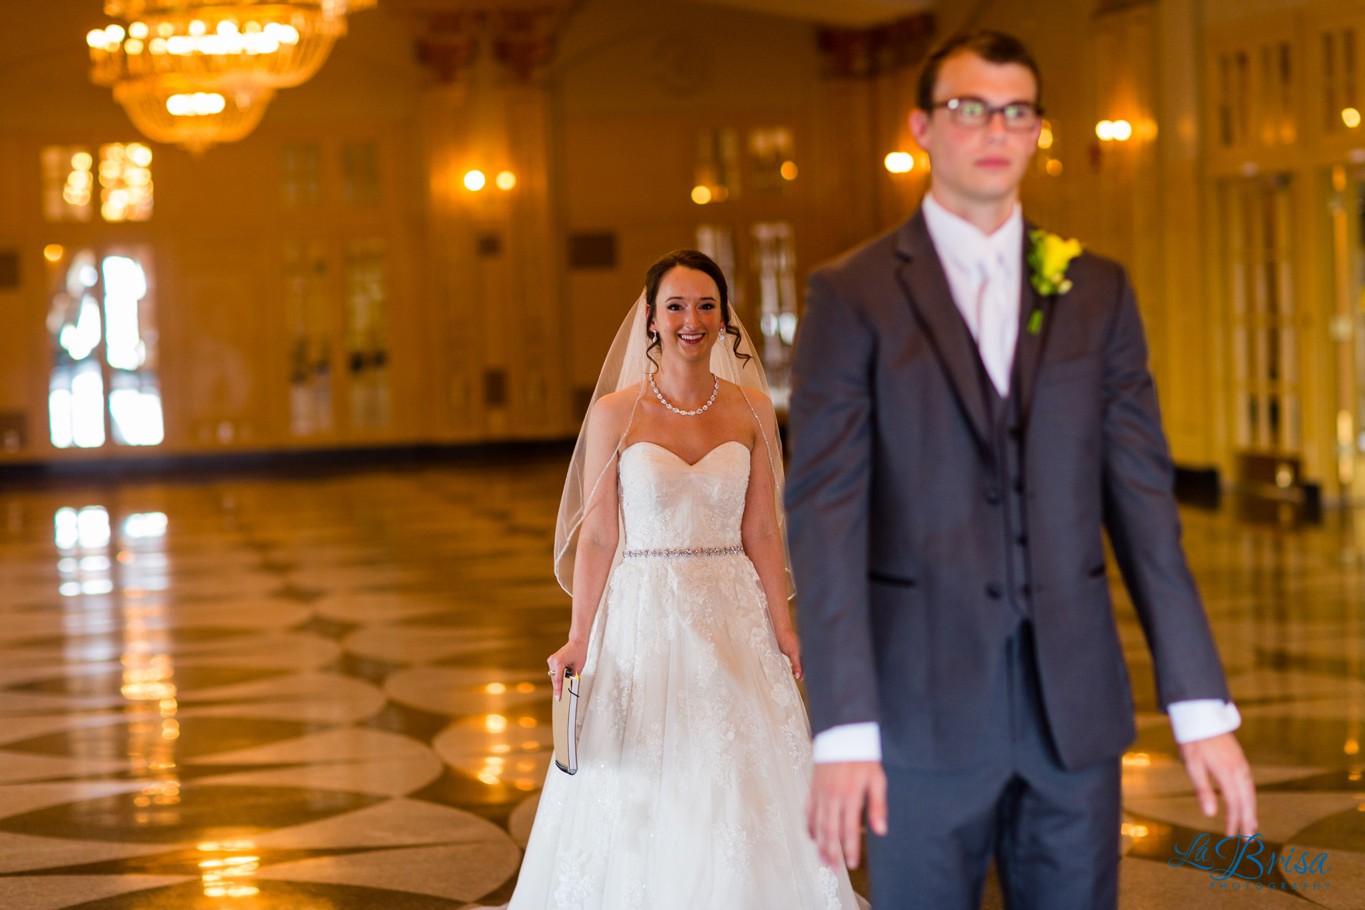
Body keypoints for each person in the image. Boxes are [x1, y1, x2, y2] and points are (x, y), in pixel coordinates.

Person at [784, 30, 1258, 910]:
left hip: (1072, 719)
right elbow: (825, 518)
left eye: (1016, 110)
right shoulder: (851, 296)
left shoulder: (1097, 291)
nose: (995, 128)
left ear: (1037, 129)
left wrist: (1199, 707)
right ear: (922, 128)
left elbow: (1145, 510)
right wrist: (843, 728)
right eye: (970, 108)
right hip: (916, 720)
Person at [508, 249, 861, 909]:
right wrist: (579, 638)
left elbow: (760, 530)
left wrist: (785, 629)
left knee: (733, 770)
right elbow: (600, 534)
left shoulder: (752, 407)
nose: (690, 320)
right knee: (644, 775)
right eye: (674, 306)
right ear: (650, 319)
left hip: (732, 614)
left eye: (704, 305)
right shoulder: (616, 412)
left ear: (724, 317)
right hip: (641, 613)